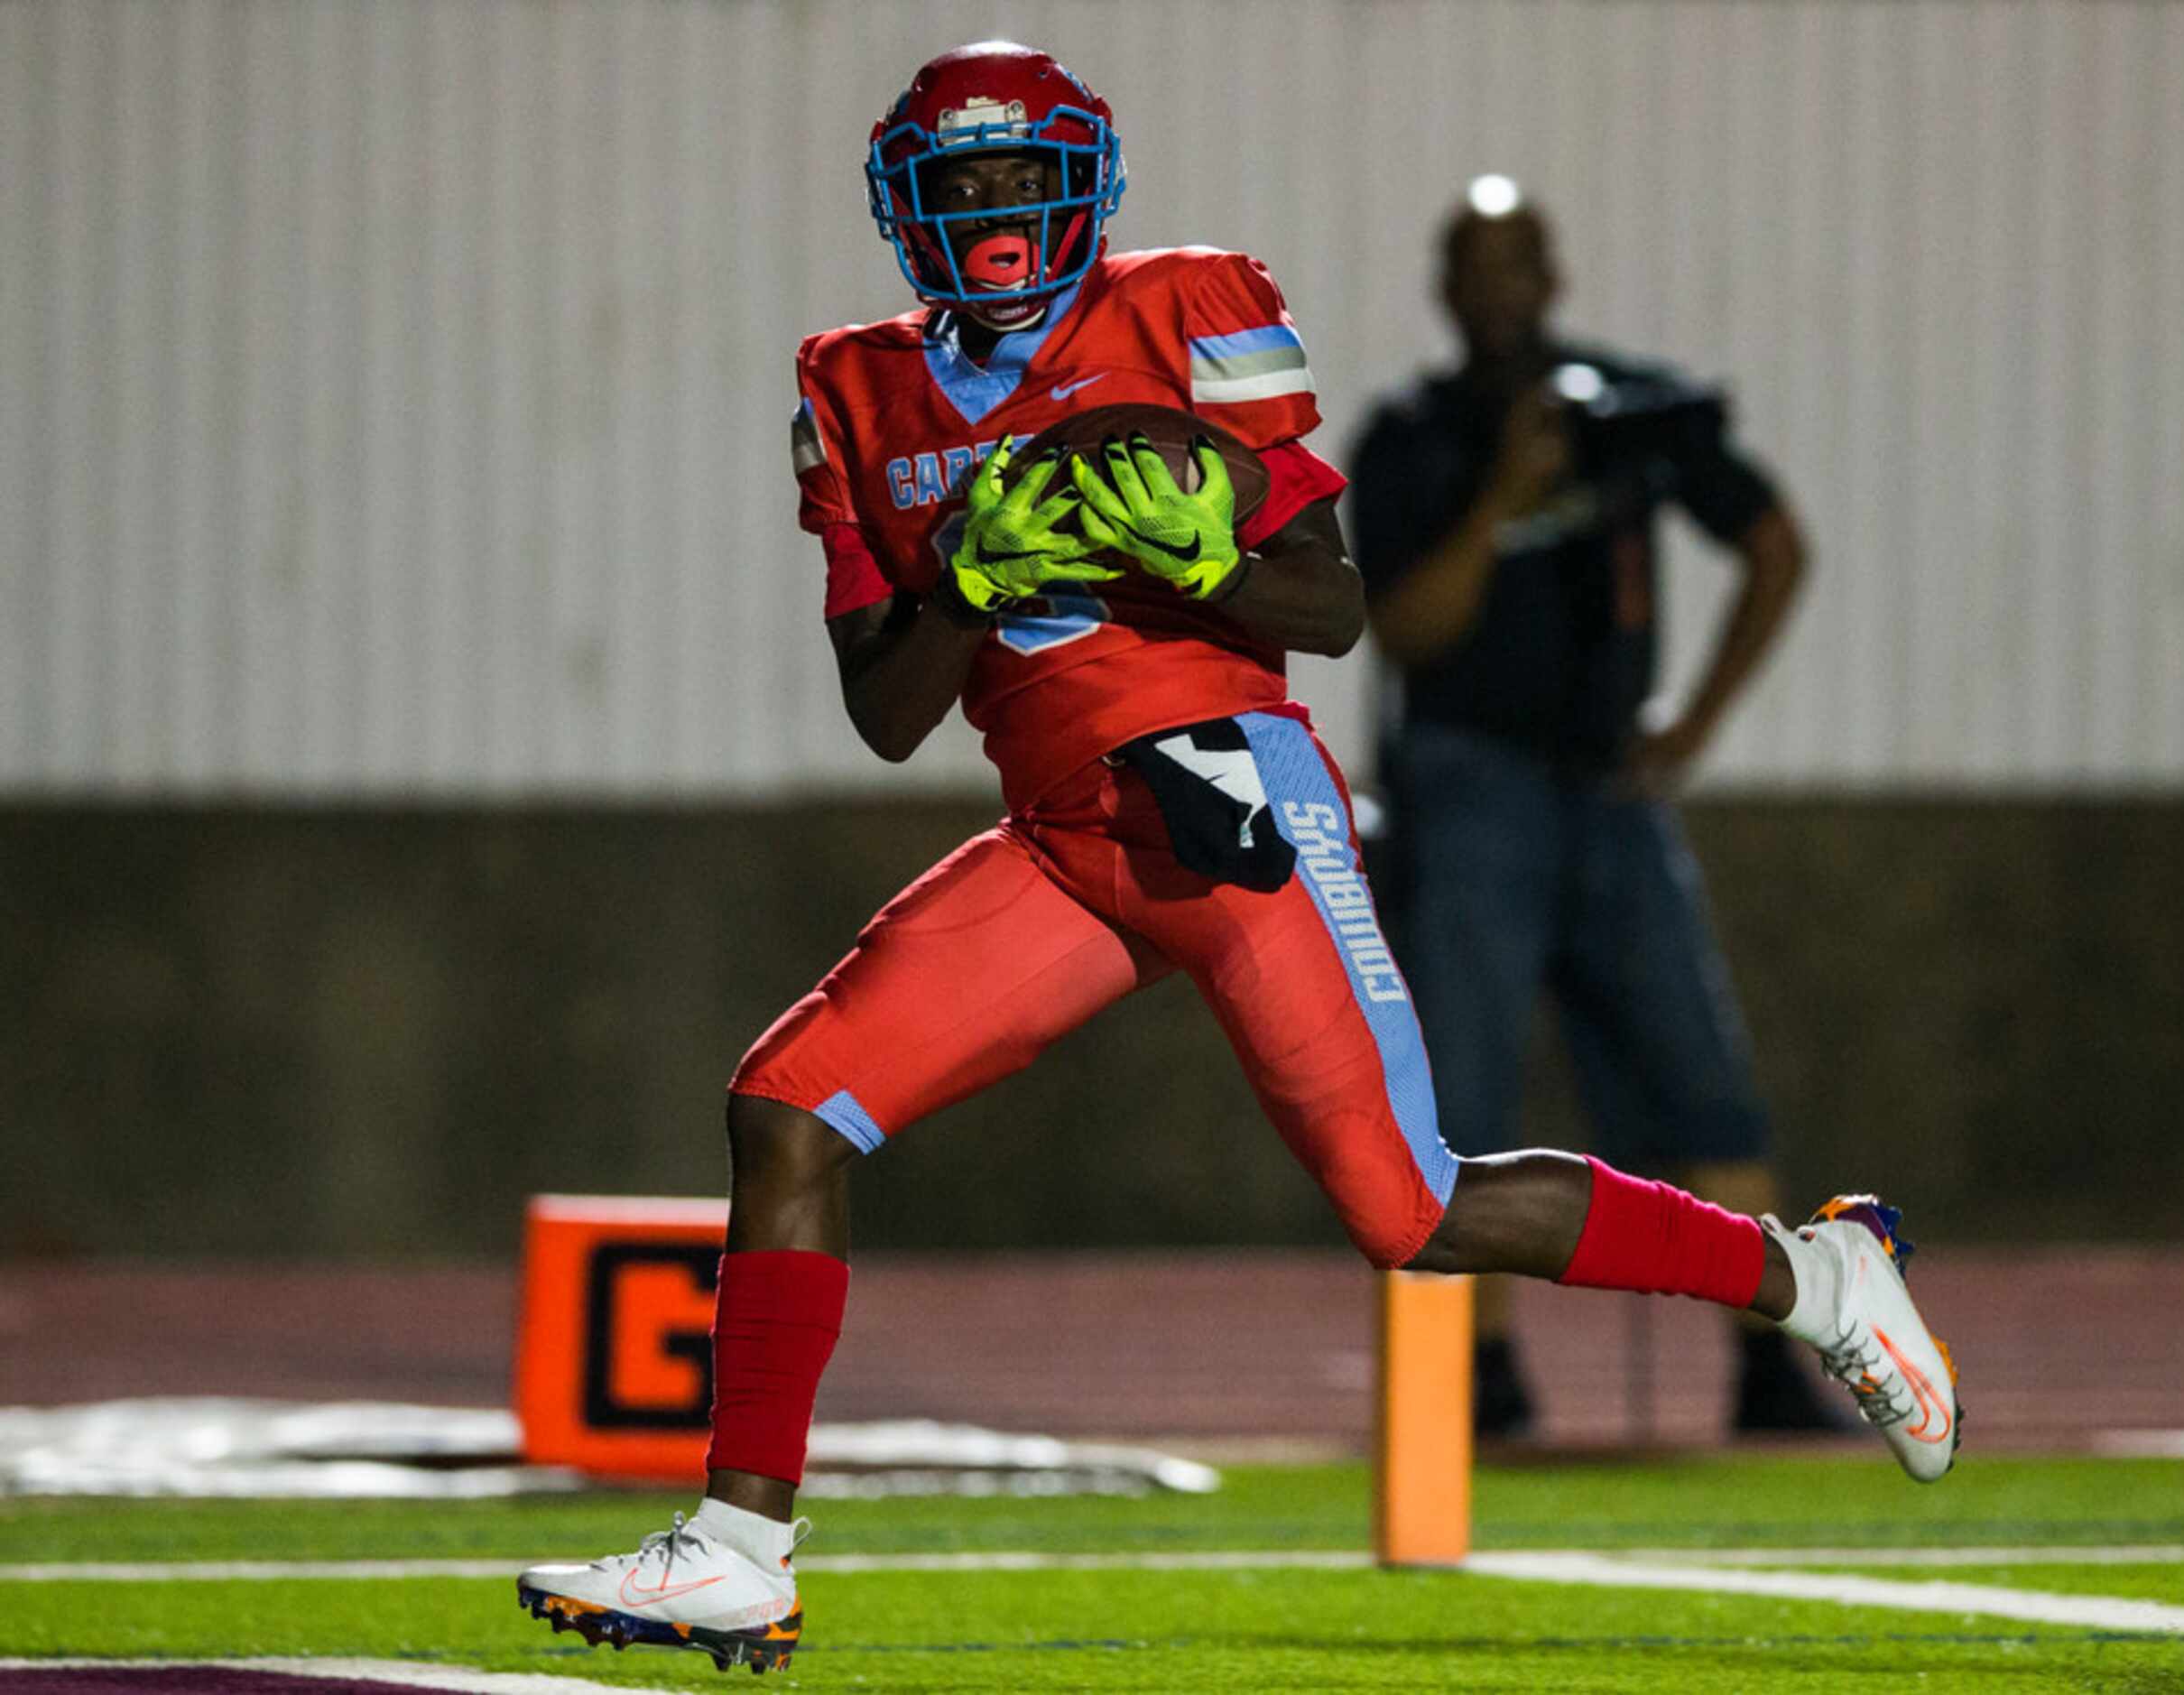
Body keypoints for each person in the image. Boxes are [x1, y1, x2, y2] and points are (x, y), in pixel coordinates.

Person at [516, 46, 1958, 1676]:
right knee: (786, 1102)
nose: (993, 212)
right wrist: (975, 579)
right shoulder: (853, 388)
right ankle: (737, 1550)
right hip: (1060, 839)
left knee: (1412, 1207)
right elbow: (888, 712)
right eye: (960, 184)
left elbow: (1326, 610)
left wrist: (1188, 551)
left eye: (1018, 178)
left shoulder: (1191, 302)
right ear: (903, 208)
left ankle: (1815, 1273)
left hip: (1219, 790)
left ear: (1083, 184)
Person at [1352, 181, 1828, 1440]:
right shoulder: (1412, 438)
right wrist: (1501, 500)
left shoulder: (1629, 414)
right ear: (1444, 288)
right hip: (1468, 790)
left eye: (1520, 264)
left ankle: (1769, 1361)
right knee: (1460, 1095)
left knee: (1701, 1074)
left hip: (1610, 786)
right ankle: (1476, 1372)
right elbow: (1403, 632)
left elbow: (1775, 543)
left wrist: (1695, 722)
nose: (1500, 290)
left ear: (1552, 279)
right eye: (1475, 266)